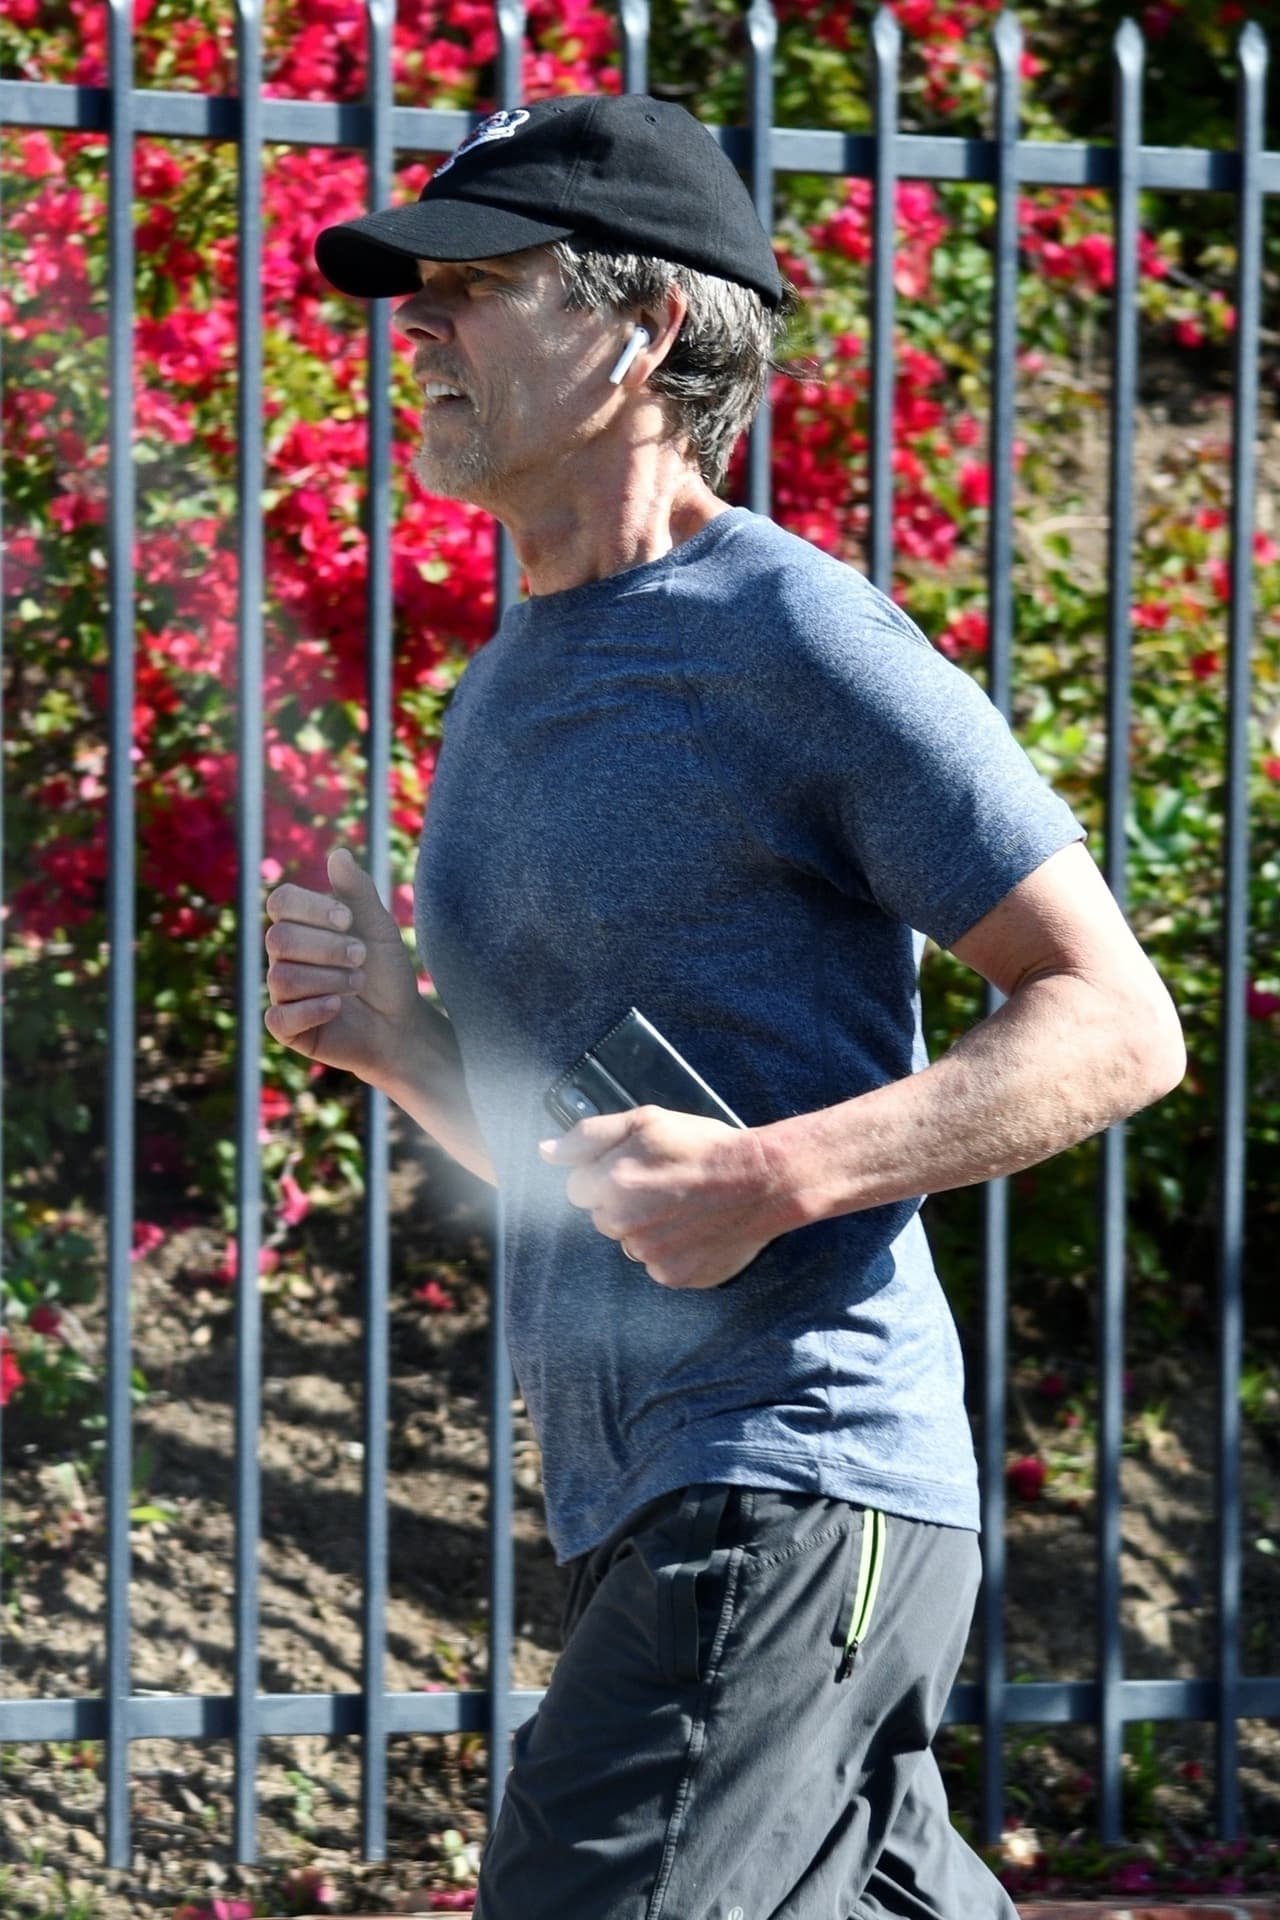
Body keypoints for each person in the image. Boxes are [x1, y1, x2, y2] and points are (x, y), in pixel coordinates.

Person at [265, 93, 1185, 1920]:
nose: (417, 330)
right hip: (643, 1500)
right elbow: (593, 1162)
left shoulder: (792, 635)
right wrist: (398, 1039)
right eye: (416, 295)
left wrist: (778, 1173)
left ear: (645, 326)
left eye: (474, 286)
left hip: (785, 1464)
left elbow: (1117, 1017)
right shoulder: (513, 682)